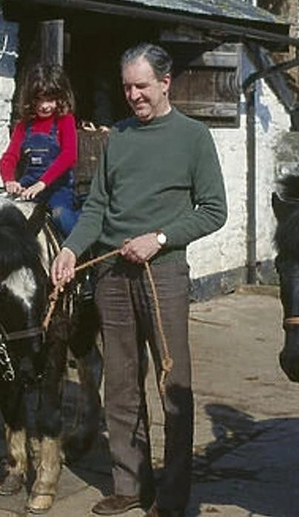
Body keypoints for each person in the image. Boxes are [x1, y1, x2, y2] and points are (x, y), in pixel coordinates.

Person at [51, 43, 227, 517]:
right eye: (127, 87)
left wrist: (161, 237)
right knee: (122, 385)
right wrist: (70, 248)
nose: (133, 96)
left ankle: (171, 498)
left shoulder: (193, 137)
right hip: (110, 274)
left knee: (174, 386)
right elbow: (97, 208)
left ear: (165, 83)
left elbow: (214, 211)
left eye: (142, 86)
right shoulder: (119, 138)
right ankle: (130, 484)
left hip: (163, 274)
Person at [0, 62, 79, 236]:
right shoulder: (23, 126)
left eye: (50, 99)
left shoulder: (65, 121)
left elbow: (69, 155)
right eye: (39, 99)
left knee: (61, 216)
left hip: (57, 191)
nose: (44, 106)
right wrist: (9, 181)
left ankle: (82, 254)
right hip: (28, 189)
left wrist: (42, 183)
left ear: (60, 98)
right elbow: (9, 157)